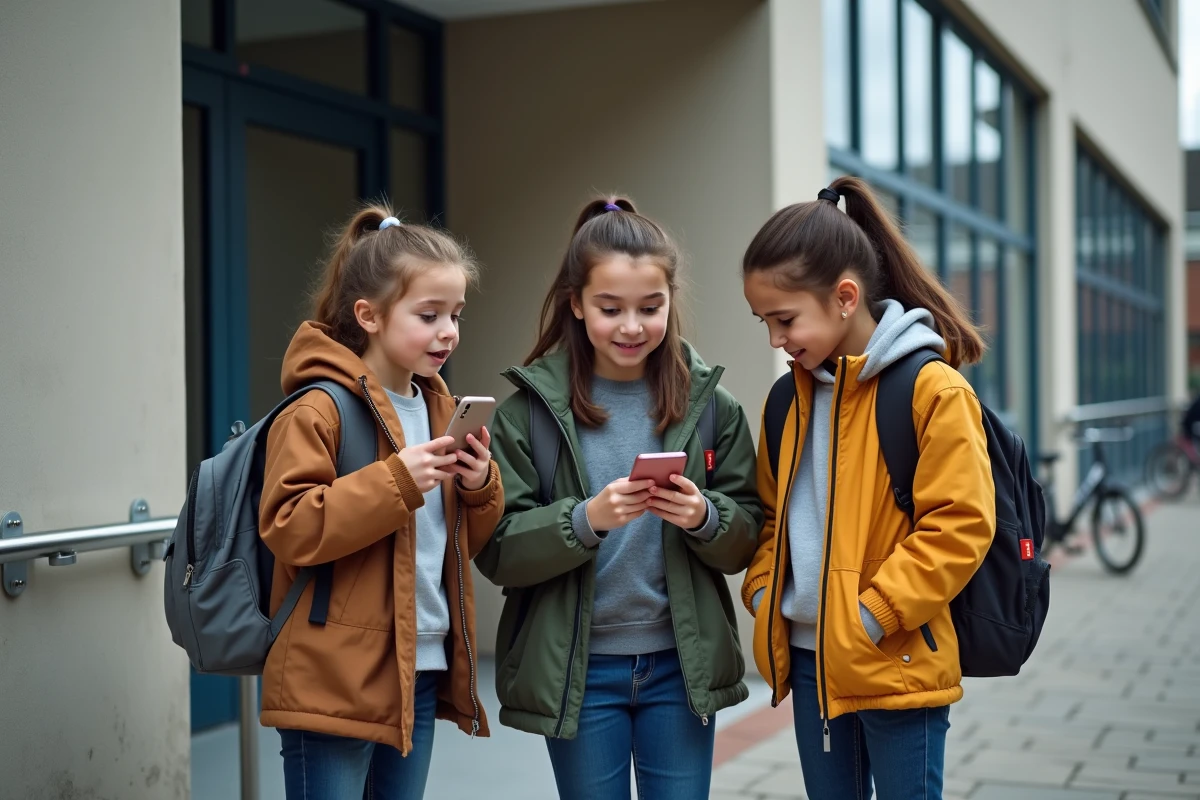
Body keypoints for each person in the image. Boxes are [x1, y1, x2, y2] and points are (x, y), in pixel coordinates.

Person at [477, 197, 763, 799]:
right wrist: (585, 521)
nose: (632, 326)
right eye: (611, 308)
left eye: (650, 307)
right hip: (580, 671)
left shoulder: (714, 408)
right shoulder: (526, 416)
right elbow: (497, 549)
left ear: (670, 303)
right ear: (576, 304)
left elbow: (749, 537)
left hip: (680, 669)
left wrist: (705, 517)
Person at [740, 178, 997, 799]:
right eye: (764, 323)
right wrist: (764, 591)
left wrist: (871, 617)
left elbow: (961, 525)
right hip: (810, 662)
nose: (775, 340)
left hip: (896, 654)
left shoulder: (933, 391)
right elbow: (771, 516)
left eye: (784, 319)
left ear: (845, 297)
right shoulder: (785, 401)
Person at [258, 205, 503, 799]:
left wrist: (478, 487)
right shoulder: (317, 410)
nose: (449, 331)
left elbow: (464, 541)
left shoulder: (443, 409)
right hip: (333, 674)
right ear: (367, 315)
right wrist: (396, 481)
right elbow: (288, 525)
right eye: (429, 314)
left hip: (420, 666)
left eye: (456, 314)